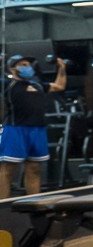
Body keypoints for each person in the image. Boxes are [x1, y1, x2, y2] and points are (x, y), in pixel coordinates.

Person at [0, 55, 66, 199]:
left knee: (34, 168)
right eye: (23, 64)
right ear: (12, 69)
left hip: (37, 130)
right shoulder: (7, 84)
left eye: (28, 64)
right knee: (7, 170)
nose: (27, 67)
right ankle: (2, 205)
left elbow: (60, 86)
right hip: (15, 130)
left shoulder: (38, 85)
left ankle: (34, 204)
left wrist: (62, 68)